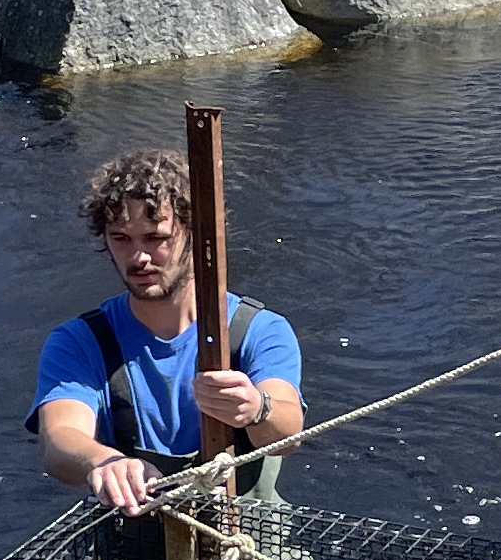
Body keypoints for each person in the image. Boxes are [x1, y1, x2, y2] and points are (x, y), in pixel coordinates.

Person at [32, 146, 307, 517]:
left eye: (156, 238)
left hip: (250, 542)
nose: (139, 258)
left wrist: (256, 409)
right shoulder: (79, 341)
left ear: (196, 234)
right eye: (122, 239)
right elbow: (60, 438)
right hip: (132, 541)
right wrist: (103, 462)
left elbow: (287, 432)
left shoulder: (258, 330)